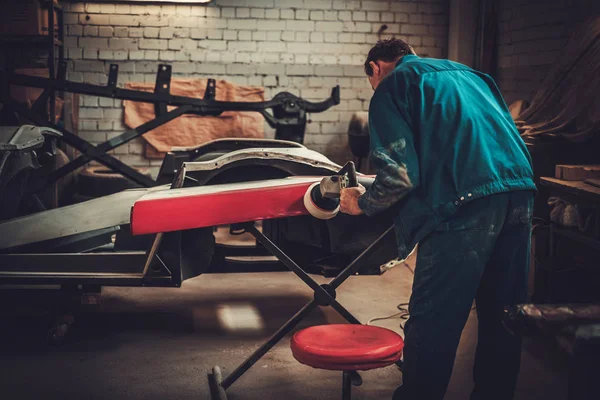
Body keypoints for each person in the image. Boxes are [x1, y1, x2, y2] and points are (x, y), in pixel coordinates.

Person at [339, 38, 536, 400]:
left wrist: (361, 204)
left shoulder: (393, 85)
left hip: (463, 207)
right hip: (520, 194)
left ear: (375, 68)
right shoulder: (474, 76)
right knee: (505, 318)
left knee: (434, 322)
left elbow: (399, 176)